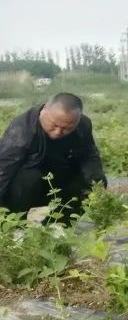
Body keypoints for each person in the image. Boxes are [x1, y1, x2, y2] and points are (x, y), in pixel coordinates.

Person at [0, 93, 106, 223]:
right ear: (44, 111)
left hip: (59, 182)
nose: (58, 132)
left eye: (67, 128)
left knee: (92, 183)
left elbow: (89, 157)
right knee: (28, 179)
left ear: (77, 121)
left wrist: (97, 184)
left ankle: (57, 225)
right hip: (26, 188)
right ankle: (14, 224)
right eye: (54, 125)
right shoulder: (23, 129)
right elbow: (4, 169)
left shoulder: (83, 125)